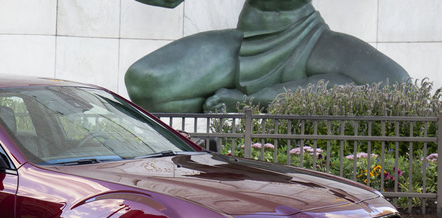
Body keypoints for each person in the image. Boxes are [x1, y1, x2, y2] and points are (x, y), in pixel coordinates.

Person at [125, 0, 410, 112]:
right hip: (246, 38)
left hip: (310, 37)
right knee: (145, 82)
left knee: (397, 84)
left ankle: (250, 103)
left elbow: (398, 85)